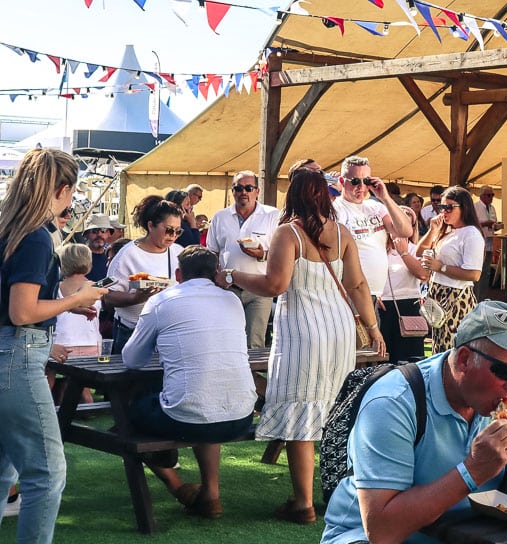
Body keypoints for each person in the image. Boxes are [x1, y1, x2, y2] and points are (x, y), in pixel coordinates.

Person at [226, 167, 386, 523]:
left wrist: (230, 275)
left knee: (302, 413)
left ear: (293, 195)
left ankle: (303, 504)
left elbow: (275, 284)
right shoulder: (342, 233)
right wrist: (372, 328)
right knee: (330, 409)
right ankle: (337, 496)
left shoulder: (288, 233)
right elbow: (359, 286)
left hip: (303, 331)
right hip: (341, 330)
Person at [321, 301, 507, 544]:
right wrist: (471, 471)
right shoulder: (393, 402)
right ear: (464, 359)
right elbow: (381, 531)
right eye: (504, 372)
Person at [0, 148, 108, 544]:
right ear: (63, 189)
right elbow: (22, 310)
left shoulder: (9, 229)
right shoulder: (36, 237)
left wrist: (62, 306)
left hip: (9, 353)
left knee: (4, 469)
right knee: (46, 474)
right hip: (18, 357)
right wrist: (76, 300)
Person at [122, 246, 257, 519]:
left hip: (186, 417)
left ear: (178, 273)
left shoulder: (162, 301)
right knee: (203, 401)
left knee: (127, 414)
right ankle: (211, 495)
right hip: (241, 414)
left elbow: (132, 359)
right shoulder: (232, 301)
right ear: (216, 272)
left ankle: (177, 485)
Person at [205, 170, 281, 348]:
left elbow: (282, 255)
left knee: (254, 342)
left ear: (257, 191)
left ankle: (253, 377)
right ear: (233, 191)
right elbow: (212, 253)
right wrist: (215, 277)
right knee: (226, 340)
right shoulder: (220, 217)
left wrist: (262, 254)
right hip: (228, 288)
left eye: (248, 188)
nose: (243, 192)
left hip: (260, 289)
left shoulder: (272, 215)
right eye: (238, 188)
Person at [103, 195, 184, 353]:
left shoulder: (179, 252)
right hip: (132, 331)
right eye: (168, 230)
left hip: (168, 331)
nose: (173, 235)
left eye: (178, 231)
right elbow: (108, 295)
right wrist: (135, 298)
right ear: (151, 225)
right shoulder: (127, 255)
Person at [412, 186, 486, 353]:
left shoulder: (471, 234)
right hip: (438, 296)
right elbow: (419, 251)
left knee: (452, 350)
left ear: (464, 208)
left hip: (456, 299)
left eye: (449, 207)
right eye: (441, 207)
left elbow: (474, 274)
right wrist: (432, 231)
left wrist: (440, 267)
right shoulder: (448, 231)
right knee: (439, 349)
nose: (444, 211)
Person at [334, 156, 415, 306]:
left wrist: (385, 197)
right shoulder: (336, 210)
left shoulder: (375, 206)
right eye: (355, 181)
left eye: (366, 181)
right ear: (341, 181)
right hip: (348, 293)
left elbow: (405, 231)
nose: (361, 187)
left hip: (375, 294)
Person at [378, 206, 428, 363]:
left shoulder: (415, 250)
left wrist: (404, 253)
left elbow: (423, 274)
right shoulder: (379, 250)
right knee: (383, 359)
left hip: (409, 304)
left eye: (407, 222)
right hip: (383, 306)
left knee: (410, 359)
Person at [52, 244, 102, 359]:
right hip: (92, 342)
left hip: (61, 344)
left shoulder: (55, 288)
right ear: (89, 263)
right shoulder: (97, 287)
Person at [473, 186, 500, 293]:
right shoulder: (475, 207)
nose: (491, 197)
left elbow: (494, 222)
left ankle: (483, 296)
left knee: (486, 272)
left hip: (489, 243)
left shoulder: (492, 208)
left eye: (492, 195)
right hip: (478, 244)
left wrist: (496, 225)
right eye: (489, 195)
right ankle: (476, 296)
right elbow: (472, 224)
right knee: (478, 271)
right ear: (482, 196)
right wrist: (485, 224)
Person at [81, 213, 113, 282]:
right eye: (94, 231)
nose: (99, 234)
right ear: (86, 234)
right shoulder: (78, 257)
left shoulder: (112, 258)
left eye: (103, 230)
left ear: (108, 234)